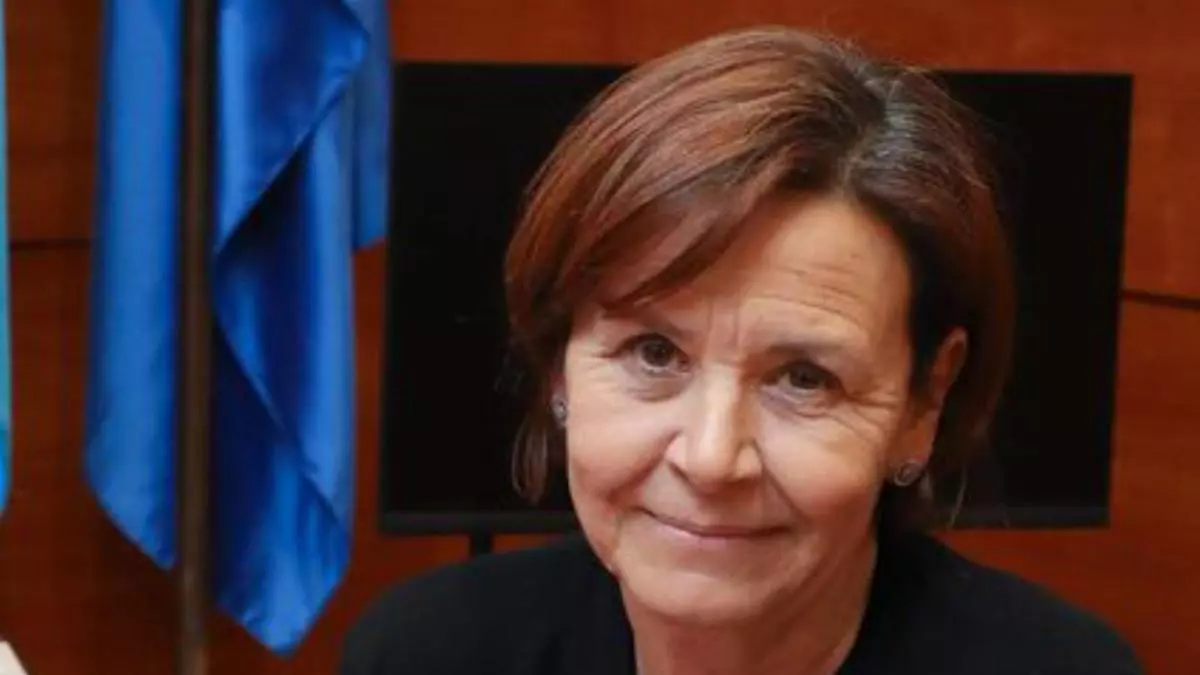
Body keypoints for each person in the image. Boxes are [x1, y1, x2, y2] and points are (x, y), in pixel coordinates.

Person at [341, 26, 1142, 675]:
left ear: (923, 402)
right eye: (654, 353)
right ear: (559, 367)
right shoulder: (426, 652)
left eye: (805, 377)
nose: (711, 458)